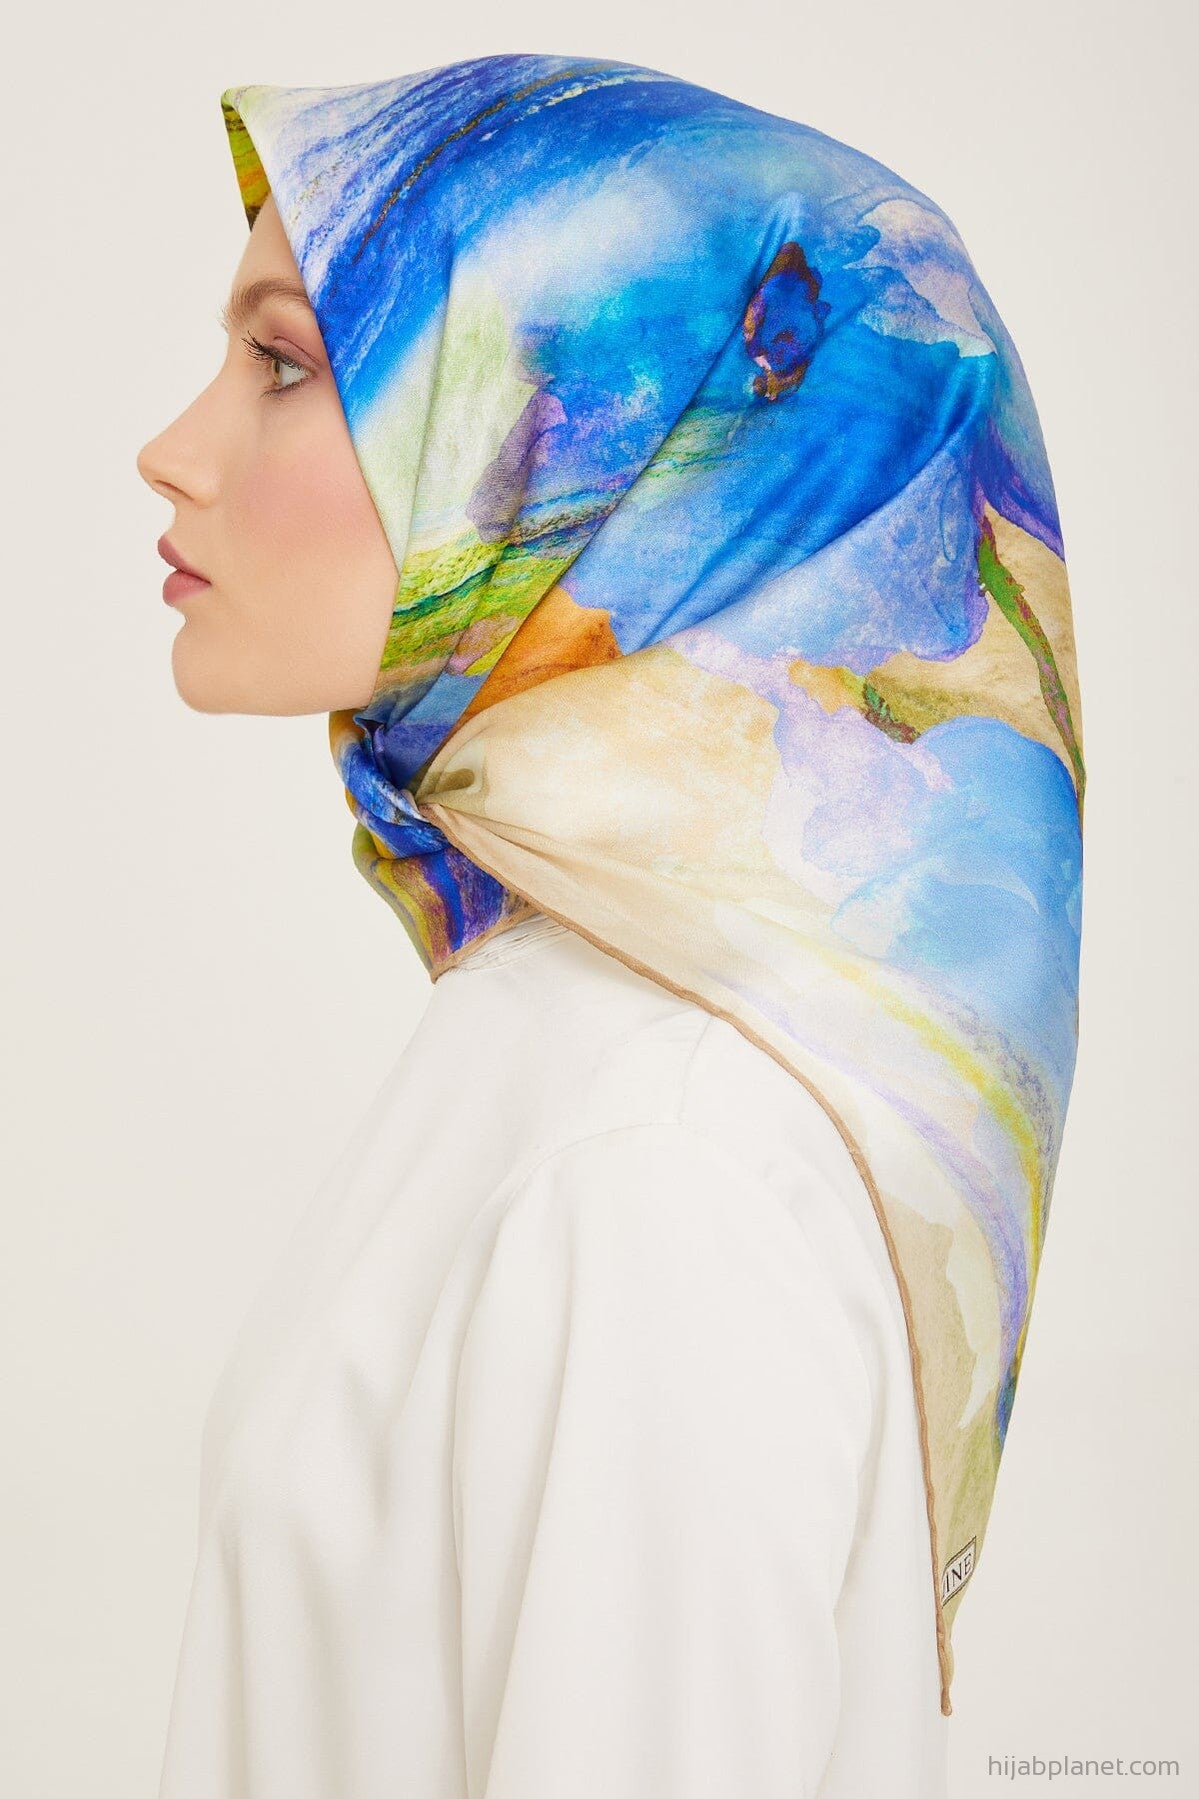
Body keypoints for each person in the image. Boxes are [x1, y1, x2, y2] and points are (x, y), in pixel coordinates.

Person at [137, 52, 1084, 1798]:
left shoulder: (661, 1164)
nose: (172, 452)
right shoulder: (563, 1043)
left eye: (282, 363)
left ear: (588, 445)